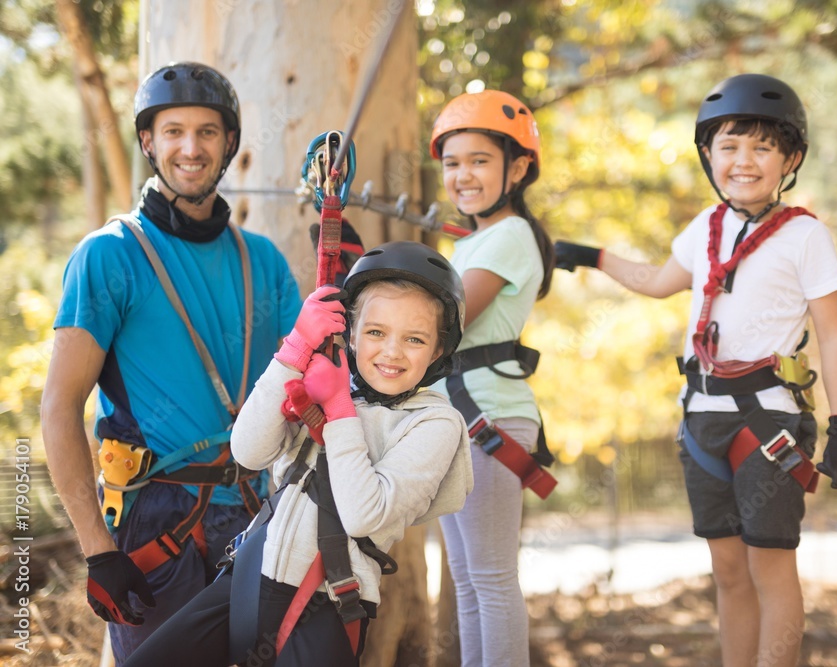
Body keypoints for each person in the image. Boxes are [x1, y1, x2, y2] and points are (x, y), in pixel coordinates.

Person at [553, 73, 837, 667]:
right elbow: (655, 282)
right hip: (701, 419)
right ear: (708, 154)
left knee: (769, 564)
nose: (743, 161)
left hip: (767, 422)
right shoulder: (706, 229)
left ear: (790, 158)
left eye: (762, 147)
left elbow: (833, 333)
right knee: (726, 570)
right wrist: (592, 257)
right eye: (729, 146)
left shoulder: (805, 236)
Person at [40, 61, 302, 663]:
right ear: (147, 142)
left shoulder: (263, 262)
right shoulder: (109, 255)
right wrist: (98, 551)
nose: (191, 147)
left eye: (208, 132)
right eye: (174, 130)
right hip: (152, 518)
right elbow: (58, 407)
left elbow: (313, 388)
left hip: (255, 509)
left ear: (230, 142)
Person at [119, 240, 473, 667]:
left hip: (325, 599)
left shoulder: (435, 424)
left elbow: (365, 514)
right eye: (376, 332)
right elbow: (248, 451)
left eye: (414, 339)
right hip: (247, 575)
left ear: (438, 351)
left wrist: (339, 408)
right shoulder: (323, 379)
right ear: (353, 336)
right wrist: (295, 350)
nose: (392, 351)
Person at [428, 89, 557, 667]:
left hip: (489, 418)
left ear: (519, 168)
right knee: (468, 579)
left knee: (491, 578)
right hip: (460, 418)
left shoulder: (509, 235)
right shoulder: (475, 240)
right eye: (453, 163)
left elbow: (445, 320)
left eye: (479, 161)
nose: (463, 176)